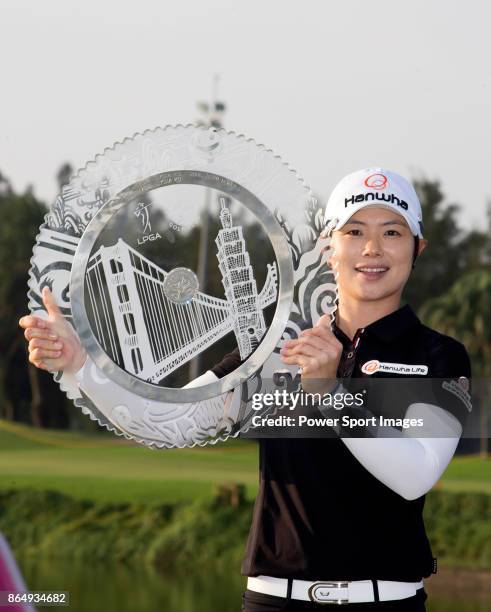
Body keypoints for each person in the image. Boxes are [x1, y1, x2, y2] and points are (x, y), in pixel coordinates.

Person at [19, 168, 472, 610]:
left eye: (392, 233)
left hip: (386, 600)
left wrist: (330, 394)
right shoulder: (273, 348)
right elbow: (168, 422)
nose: (372, 248)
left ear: (418, 247)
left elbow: (415, 476)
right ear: (327, 247)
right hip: (273, 599)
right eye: (353, 232)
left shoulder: (440, 357)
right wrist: (81, 364)